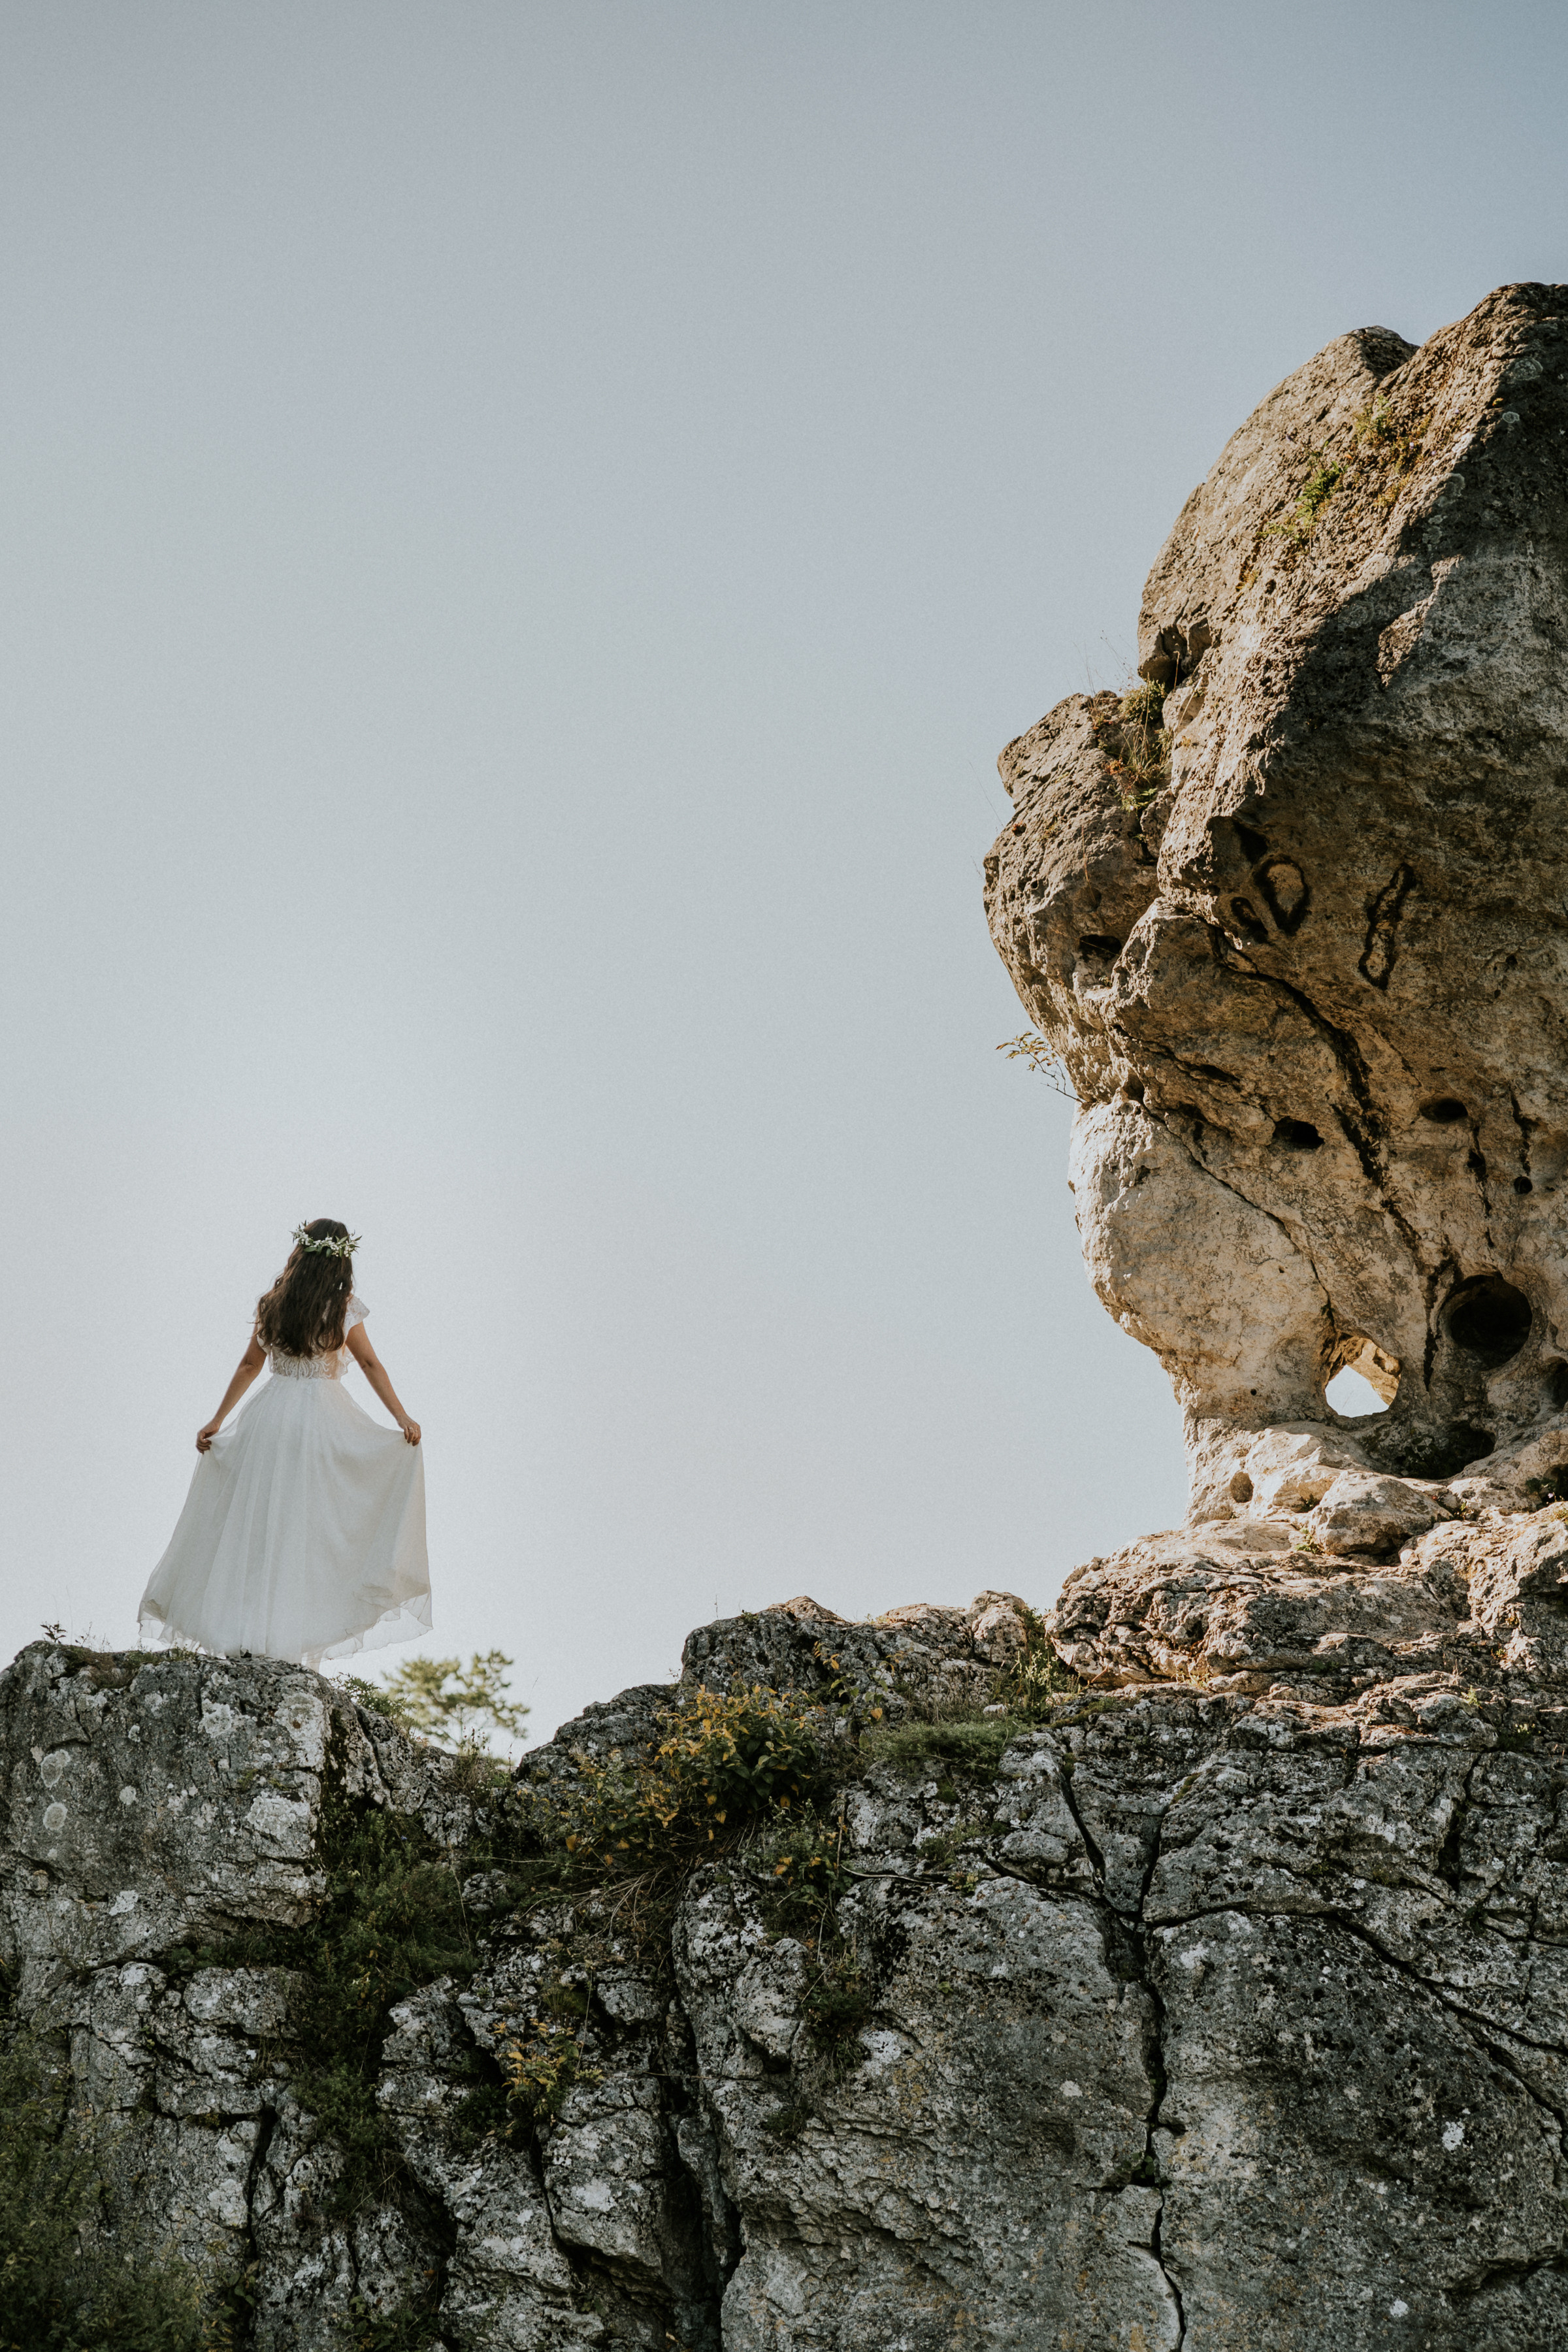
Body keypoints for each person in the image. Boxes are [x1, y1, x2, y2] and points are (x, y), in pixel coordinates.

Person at [139, 1218, 431, 1667]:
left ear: (300, 1254)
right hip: (321, 1421)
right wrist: (401, 1416)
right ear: (342, 1259)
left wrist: (218, 1419)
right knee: (308, 1529)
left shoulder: (273, 1303)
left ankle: (248, 1631)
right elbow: (370, 1363)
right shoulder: (343, 1307)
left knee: (258, 1525)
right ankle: (291, 1637)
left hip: (269, 1418)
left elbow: (248, 1365)